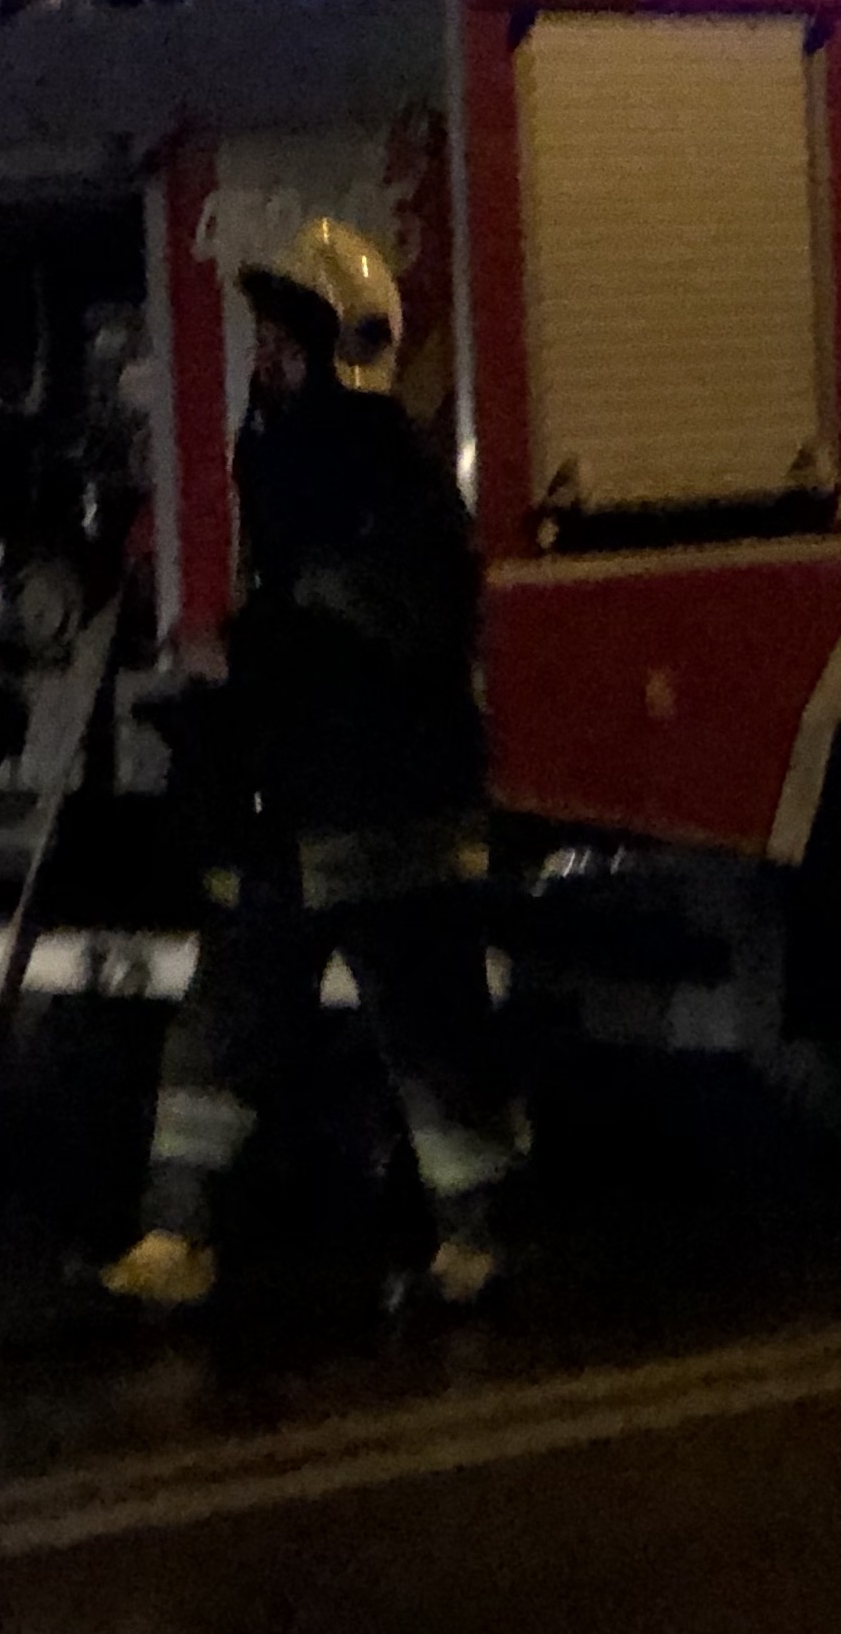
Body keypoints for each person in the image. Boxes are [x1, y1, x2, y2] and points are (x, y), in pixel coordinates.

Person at [102, 216, 525, 1313]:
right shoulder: (294, 456)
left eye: (284, 339)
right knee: (228, 1023)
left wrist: (245, 656)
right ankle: (174, 1237)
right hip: (297, 805)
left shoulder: (386, 473)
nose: (266, 359)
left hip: (386, 812)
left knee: (428, 1035)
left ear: (341, 346)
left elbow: (382, 625)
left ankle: (477, 1242)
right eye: (265, 339)